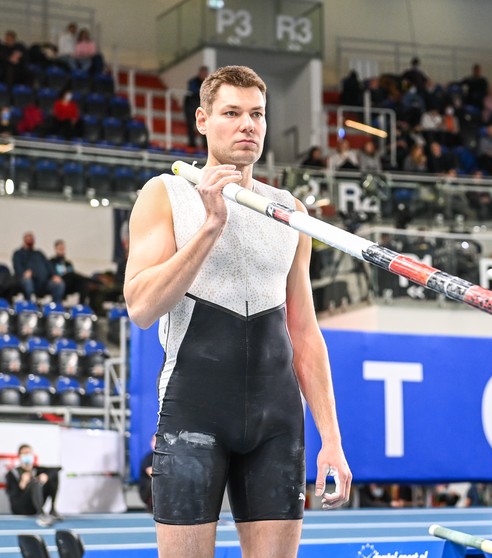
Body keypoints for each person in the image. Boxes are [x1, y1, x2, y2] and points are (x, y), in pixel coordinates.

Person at [123, 65, 351, 557]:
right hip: (193, 412)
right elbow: (141, 307)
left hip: (277, 422)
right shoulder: (165, 194)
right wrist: (210, 225)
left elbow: (304, 333)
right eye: (232, 113)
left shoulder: (290, 211)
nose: (248, 124)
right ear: (202, 120)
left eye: (257, 114)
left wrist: (331, 438)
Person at [5, 444, 61, 526]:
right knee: (35, 482)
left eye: (29, 453)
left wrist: (46, 476)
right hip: (21, 507)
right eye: (24, 453)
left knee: (52, 476)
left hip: (33, 506)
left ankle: (52, 509)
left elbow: (57, 469)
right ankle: (41, 513)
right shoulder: (13, 473)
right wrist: (22, 484)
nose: (27, 455)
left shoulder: (37, 470)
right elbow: (11, 495)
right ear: (19, 456)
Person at [12, 232, 65, 304]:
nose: (30, 241)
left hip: (44, 283)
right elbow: (17, 268)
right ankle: (30, 304)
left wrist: (54, 275)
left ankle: (56, 305)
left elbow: (48, 265)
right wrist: (24, 274)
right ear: (24, 240)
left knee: (59, 284)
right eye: (28, 239)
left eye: (31, 239)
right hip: (28, 281)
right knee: (27, 281)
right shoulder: (18, 254)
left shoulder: (39, 253)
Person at [48, 239, 91, 305]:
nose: (62, 250)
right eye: (60, 249)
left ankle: (81, 305)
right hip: (59, 282)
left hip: (69, 284)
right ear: (56, 249)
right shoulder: (52, 262)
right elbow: (51, 274)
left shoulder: (68, 263)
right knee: (71, 275)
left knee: (83, 283)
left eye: (63, 249)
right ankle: (90, 279)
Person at [184, 66, 209, 149]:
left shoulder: (207, 83)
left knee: (204, 124)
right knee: (191, 125)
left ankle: (205, 145)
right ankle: (192, 144)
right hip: (191, 107)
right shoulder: (193, 82)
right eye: (203, 73)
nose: (204, 74)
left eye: (205, 73)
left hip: (201, 107)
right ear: (200, 73)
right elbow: (194, 91)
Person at [139, 434, 155, 512]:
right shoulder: (148, 458)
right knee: (155, 481)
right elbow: (152, 474)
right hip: (147, 491)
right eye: (154, 441)